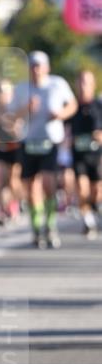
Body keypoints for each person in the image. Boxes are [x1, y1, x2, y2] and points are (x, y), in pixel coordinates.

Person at [12, 51, 77, 249]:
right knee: (31, 187)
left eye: (39, 65)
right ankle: (36, 227)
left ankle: (50, 224)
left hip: (50, 142)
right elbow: (11, 115)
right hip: (29, 141)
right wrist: (26, 110)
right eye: (32, 66)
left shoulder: (57, 84)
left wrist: (60, 114)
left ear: (47, 67)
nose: (36, 69)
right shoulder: (21, 88)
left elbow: (72, 105)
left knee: (49, 183)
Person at [68, 69, 102, 238]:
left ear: (93, 84)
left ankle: (95, 206)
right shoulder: (72, 106)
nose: (83, 86)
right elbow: (63, 127)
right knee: (82, 188)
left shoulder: (99, 105)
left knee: (97, 191)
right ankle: (88, 221)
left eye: (86, 82)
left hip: (97, 155)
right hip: (78, 154)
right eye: (80, 82)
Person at [0, 79, 22, 226]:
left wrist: (9, 124)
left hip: (13, 148)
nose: (2, 94)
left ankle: (14, 205)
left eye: (5, 91)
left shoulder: (15, 109)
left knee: (12, 181)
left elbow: (18, 130)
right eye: (0, 91)